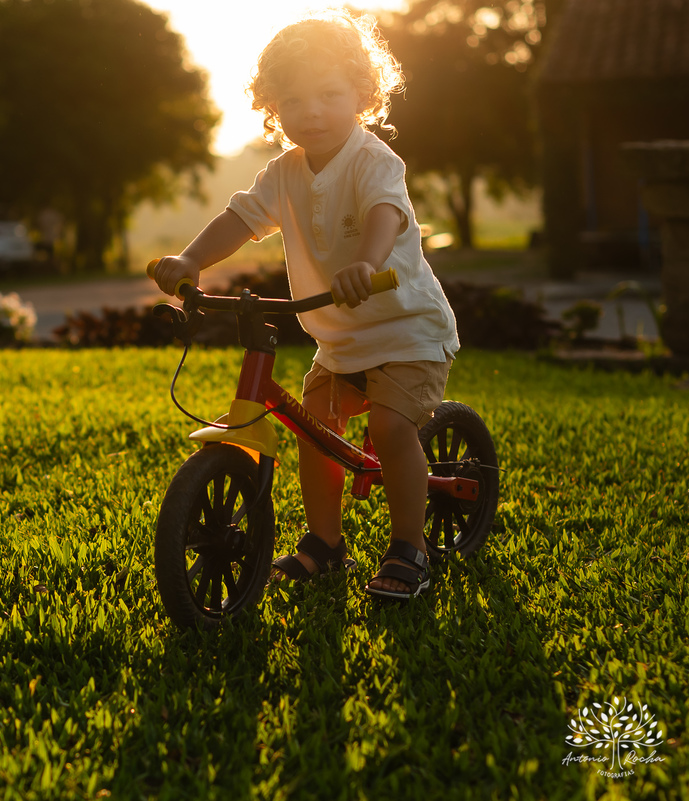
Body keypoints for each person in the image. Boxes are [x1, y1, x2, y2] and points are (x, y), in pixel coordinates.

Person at [149, 10, 459, 600]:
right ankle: (324, 543)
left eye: (328, 94)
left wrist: (364, 264)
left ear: (362, 94)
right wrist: (191, 261)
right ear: (271, 107)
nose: (311, 112)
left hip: (406, 329)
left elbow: (383, 216)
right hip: (340, 339)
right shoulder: (285, 172)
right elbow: (241, 218)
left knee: (393, 430)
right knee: (315, 433)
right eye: (291, 101)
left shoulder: (374, 161)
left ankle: (410, 549)